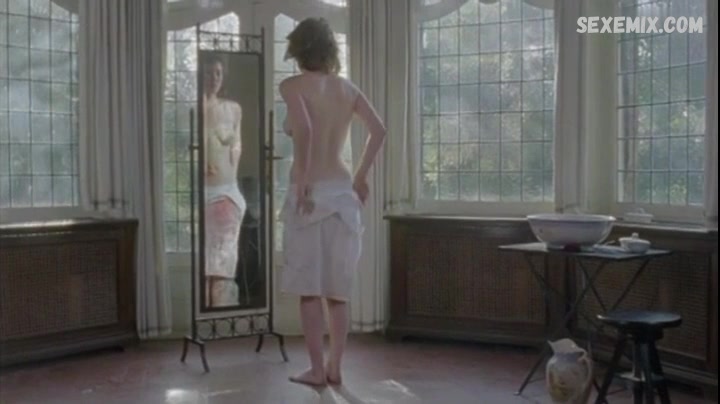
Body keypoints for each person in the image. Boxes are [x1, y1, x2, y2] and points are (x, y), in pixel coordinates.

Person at [279, 17, 387, 387]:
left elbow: (305, 129)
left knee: (310, 290)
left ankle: (316, 370)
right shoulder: (347, 88)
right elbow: (379, 130)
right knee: (337, 292)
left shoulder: (292, 86)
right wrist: (361, 176)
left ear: (297, 49)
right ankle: (335, 367)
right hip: (342, 196)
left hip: (310, 195)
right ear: (329, 49)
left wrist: (303, 181)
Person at [202, 54, 246, 308]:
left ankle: (220, 316)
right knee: (202, 266)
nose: (213, 78)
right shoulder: (194, 108)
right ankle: (204, 316)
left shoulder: (232, 109)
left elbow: (237, 145)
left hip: (226, 191)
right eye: (208, 73)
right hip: (201, 192)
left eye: (217, 73)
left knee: (222, 265)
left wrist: (232, 171)